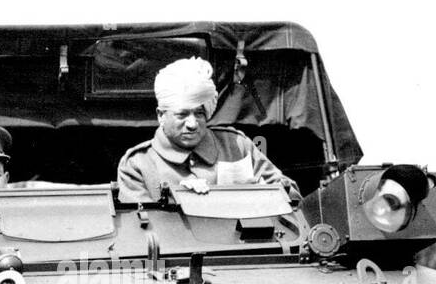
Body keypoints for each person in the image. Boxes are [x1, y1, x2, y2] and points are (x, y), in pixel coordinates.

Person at [116, 57, 300, 203]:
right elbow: (141, 234)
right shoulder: (137, 165)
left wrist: (263, 193)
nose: (192, 123)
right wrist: (180, 201)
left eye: (199, 113)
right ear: (160, 115)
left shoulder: (237, 146)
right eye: (182, 114)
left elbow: (292, 198)